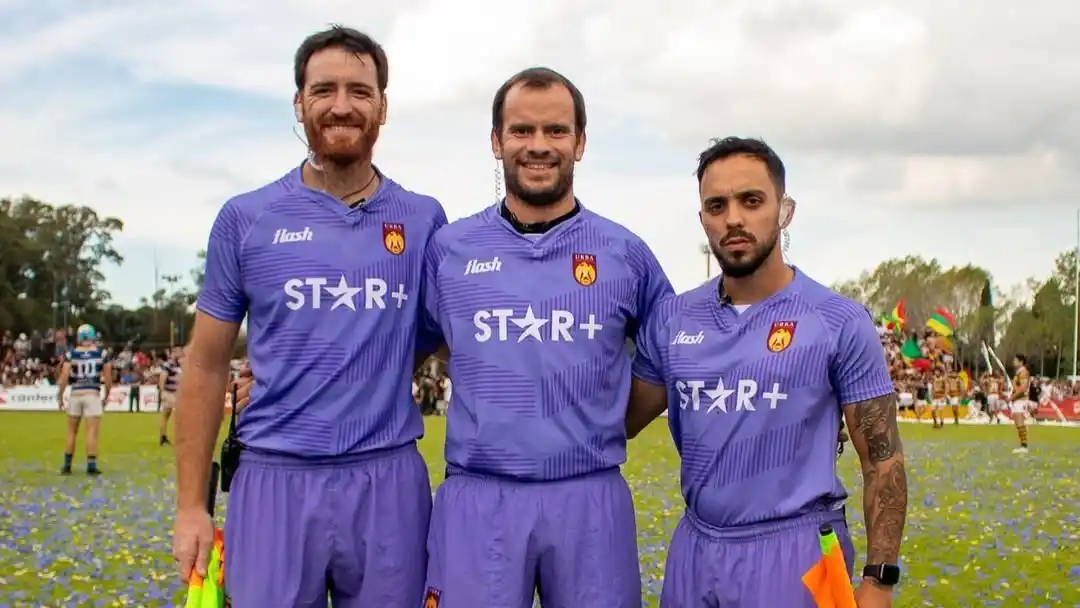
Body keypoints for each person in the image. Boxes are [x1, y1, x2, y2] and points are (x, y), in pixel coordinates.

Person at [171, 26, 446, 607]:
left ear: (383, 107)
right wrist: (192, 507)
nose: (341, 106)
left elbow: (439, 338)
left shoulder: (424, 220)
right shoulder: (246, 217)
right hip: (274, 480)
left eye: (359, 91)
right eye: (324, 90)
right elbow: (206, 365)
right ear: (299, 103)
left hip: (387, 481)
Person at [417, 67, 671, 607]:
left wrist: (606, 424)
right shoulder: (449, 250)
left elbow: (671, 357)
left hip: (590, 497)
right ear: (496, 141)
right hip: (479, 497)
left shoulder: (625, 253)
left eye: (556, 130)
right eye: (521, 130)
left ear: (580, 142)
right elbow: (411, 344)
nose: (539, 145)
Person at [625, 137, 908, 607]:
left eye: (751, 201)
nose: (733, 218)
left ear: (784, 210)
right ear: (703, 219)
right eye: (717, 205)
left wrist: (879, 581)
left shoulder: (837, 320)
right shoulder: (673, 319)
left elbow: (883, 461)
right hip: (697, 550)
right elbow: (618, 421)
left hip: (797, 551)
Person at [56, 324, 113, 475]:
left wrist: (60, 396)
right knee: (91, 432)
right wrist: (107, 395)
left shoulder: (71, 354)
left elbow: (64, 376)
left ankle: (67, 466)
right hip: (92, 394)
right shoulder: (101, 353)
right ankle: (91, 467)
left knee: (71, 432)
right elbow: (108, 378)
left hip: (76, 394)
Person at [158, 346, 183, 445]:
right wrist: (162, 392)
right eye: (179, 351)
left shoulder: (178, 365)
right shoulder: (169, 364)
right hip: (169, 393)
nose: (181, 353)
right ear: (174, 352)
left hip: (175, 393)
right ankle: (166, 437)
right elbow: (162, 378)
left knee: (166, 416)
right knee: (170, 415)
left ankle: (163, 437)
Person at [1009, 354, 1032, 453]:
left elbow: (1023, 388)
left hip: (1021, 400)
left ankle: (1024, 445)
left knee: (1020, 422)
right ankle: (1023, 444)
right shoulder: (1018, 373)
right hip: (1017, 400)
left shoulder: (1023, 373)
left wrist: (1013, 397)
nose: (1013, 362)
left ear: (1021, 362)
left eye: (1015, 360)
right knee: (1018, 423)